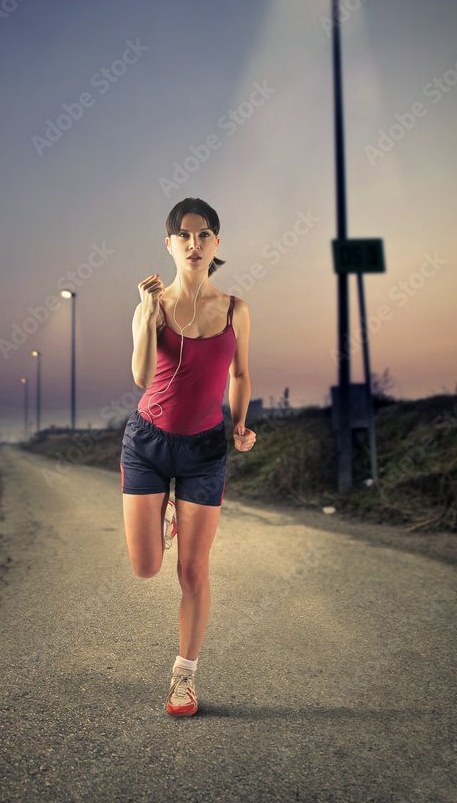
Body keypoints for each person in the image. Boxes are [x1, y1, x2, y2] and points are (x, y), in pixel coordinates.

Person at [120, 196, 256, 716]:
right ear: (170, 244)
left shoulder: (236, 310)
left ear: (216, 244)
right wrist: (148, 315)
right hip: (149, 444)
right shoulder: (149, 306)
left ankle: (184, 677)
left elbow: (239, 375)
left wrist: (240, 423)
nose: (194, 244)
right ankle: (165, 514)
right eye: (185, 235)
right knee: (148, 568)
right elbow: (140, 375)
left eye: (204, 236)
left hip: (203, 450)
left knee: (193, 571)